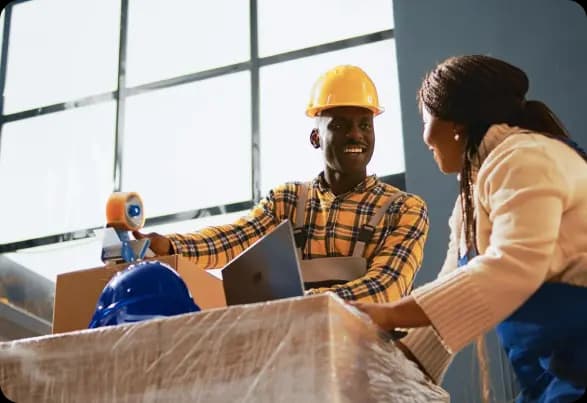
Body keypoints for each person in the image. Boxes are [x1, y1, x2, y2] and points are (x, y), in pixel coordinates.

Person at [352, 55, 587, 402]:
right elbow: (451, 286)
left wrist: (386, 313)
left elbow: (511, 268)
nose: (425, 137)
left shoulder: (524, 157)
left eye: (425, 119)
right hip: (553, 373)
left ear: (455, 122)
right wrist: (392, 363)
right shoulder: (473, 193)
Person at [135, 65, 429, 303]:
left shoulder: (402, 210)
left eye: (364, 125)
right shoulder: (288, 202)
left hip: (365, 362)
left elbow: (385, 288)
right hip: (296, 349)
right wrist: (170, 246)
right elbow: (232, 241)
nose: (355, 135)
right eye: (339, 125)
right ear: (315, 138)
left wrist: (297, 302)